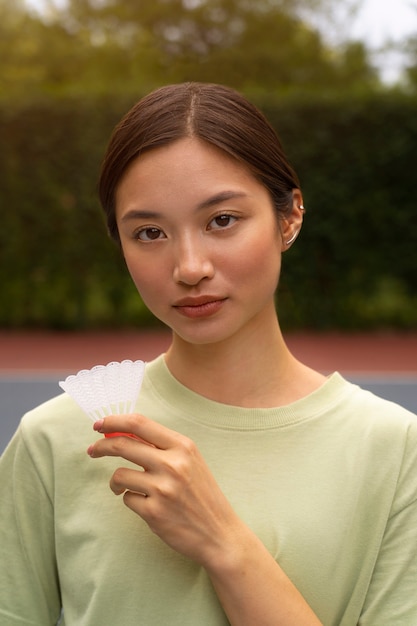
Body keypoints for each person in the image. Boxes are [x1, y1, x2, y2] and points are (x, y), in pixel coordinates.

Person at [1, 82, 416, 626]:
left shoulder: (395, 451)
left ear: (289, 217)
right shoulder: (52, 439)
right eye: (149, 232)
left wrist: (224, 544)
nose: (189, 266)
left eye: (222, 220)